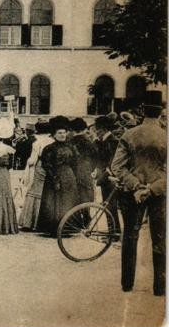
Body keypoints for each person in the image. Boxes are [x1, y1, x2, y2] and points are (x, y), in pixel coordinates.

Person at [111, 94, 166, 297]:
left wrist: (136, 186)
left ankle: (127, 284)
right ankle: (160, 288)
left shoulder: (129, 134)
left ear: (142, 111)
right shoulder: (165, 136)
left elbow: (117, 167)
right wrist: (151, 189)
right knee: (159, 239)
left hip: (132, 193)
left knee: (130, 237)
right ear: (160, 112)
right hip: (159, 193)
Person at [36, 116, 80, 237]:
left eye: (64, 133)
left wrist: (74, 176)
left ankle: (68, 227)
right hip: (54, 176)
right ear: (54, 135)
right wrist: (54, 178)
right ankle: (54, 228)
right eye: (59, 133)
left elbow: (76, 162)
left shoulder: (71, 146)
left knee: (68, 200)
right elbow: (46, 164)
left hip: (69, 176)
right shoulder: (49, 148)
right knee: (54, 201)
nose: (62, 135)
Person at [19, 120, 53, 231]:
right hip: (50, 168)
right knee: (46, 193)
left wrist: (28, 163)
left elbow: (32, 160)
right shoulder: (52, 141)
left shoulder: (37, 143)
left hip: (39, 167)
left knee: (34, 192)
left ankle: (30, 222)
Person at [94, 115, 120, 233]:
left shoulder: (112, 142)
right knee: (107, 204)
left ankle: (114, 232)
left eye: (97, 129)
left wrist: (105, 175)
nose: (96, 132)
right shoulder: (103, 141)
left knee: (110, 205)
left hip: (110, 178)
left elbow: (113, 162)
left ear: (103, 129)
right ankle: (112, 231)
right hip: (105, 176)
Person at [70, 118, 98, 206]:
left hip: (73, 175)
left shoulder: (69, 143)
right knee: (86, 203)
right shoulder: (90, 143)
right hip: (86, 175)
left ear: (72, 130)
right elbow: (95, 159)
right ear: (84, 129)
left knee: (73, 204)